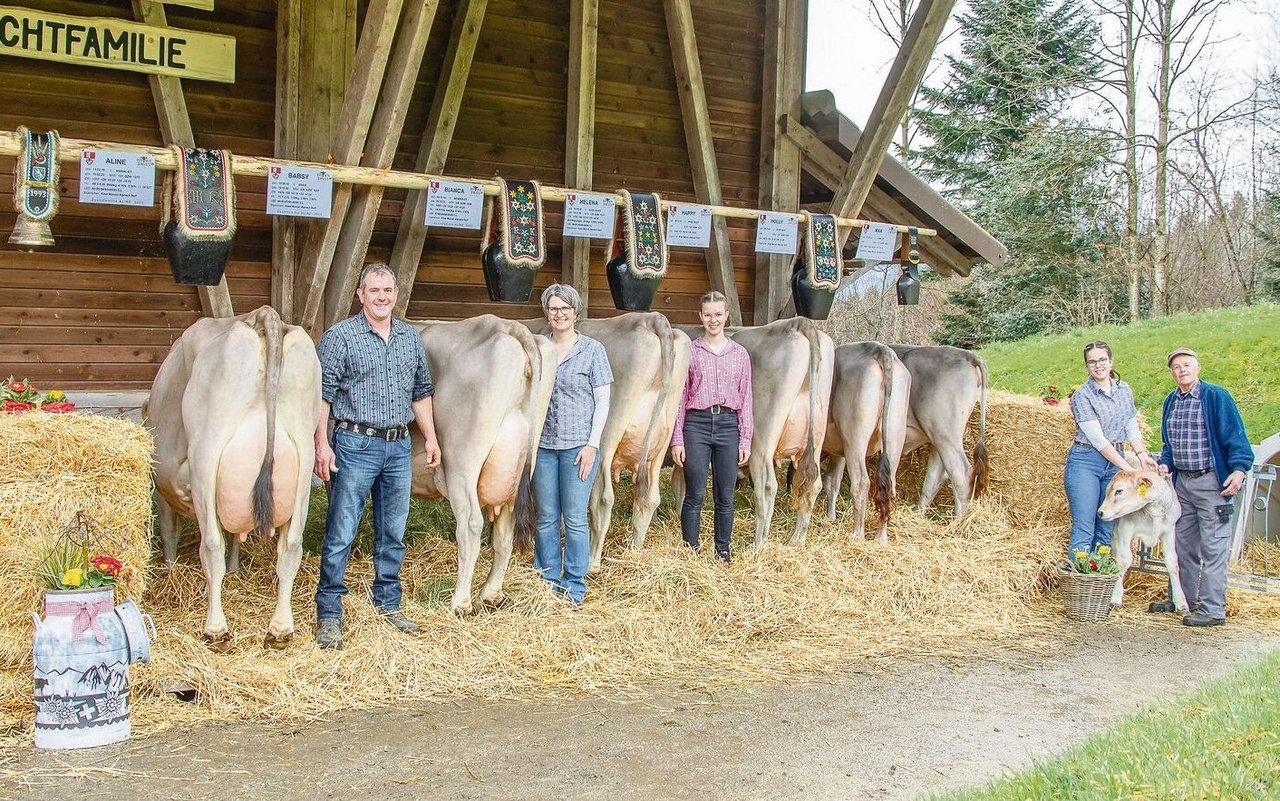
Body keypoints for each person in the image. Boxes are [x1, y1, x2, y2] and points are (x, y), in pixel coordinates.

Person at [313, 262, 441, 650]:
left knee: (393, 531)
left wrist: (431, 439)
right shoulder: (340, 337)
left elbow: (421, 392)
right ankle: (330, 613)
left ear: (395, 295)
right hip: (354, 444)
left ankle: (388, 604)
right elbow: (322, 396)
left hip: (399, 446)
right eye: (373, 291)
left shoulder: (408, 337)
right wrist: (322, 443)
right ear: (361, 295)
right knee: (341, 532)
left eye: (387, 291)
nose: (381, 297)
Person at [1152, 347, 1253, 627]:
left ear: (1198, 368)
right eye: (1176, 367)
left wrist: (1239, 470)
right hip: (1182, 483)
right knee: (1182, 545)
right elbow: (1168, 445)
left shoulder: (1215, 397)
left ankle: (1212, 609)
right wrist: (1165, 464)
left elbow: (1236, 436)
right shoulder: (1171, 401)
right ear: (1171, 373)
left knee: (1214, 547)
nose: (1182, 370)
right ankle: (1184, 599)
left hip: (1211, 482)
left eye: (1187, 365)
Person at [534, 284, 612, 606]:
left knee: (576, 518)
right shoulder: (539, 348)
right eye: (553, 308)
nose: (559, 314)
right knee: (547, 516)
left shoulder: (593, 350)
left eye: (565, 308)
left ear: (575, 311)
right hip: (543, 447)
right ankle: (547, 577)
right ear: (546, 313)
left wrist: (592, 445)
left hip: (578, 448)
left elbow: (603, 401)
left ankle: (574, 584)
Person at [671, 291, 753, 562]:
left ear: (726, 316)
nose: (713, 320)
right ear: (700, 316)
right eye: (708, 315)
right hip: (697, 424)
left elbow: (746, 398)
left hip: (729, 425)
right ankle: (691, 550)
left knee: (725, 494)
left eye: (718, 314)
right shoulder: (691, 351)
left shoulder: (739, 354)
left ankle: (722, 550)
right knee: (695, 492)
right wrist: (677, 439)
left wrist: (745, 439)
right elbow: (681, 397)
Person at [1064, 340, 1158, 560]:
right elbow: (1098, 439)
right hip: (1086, 460)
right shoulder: (1083, 396)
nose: (1098, 366)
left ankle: (1100, 584)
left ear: (1111, 361)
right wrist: (1128, 470)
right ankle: (1081, 584)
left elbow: (1130, 425)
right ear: (1087, 366)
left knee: (1106, 526)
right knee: (1085, 525)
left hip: (1114, 462)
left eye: (1102, 360)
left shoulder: (1124, 390)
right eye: (1092, 362)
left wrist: (1142, 456)